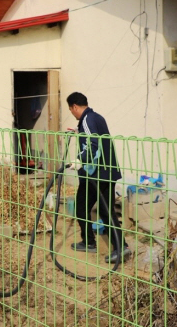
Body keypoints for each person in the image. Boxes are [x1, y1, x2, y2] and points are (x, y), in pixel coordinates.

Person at [65, 92, 130, 264]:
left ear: (75, 107)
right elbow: (94, 136)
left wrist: (80, 160)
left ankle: (94, 243)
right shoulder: (96, 118)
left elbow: (93, 144)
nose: (72, 113)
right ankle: (117, 246)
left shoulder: (86, 120)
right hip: (107, 172)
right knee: (105, 210)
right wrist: (78, 131)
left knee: (82, 207)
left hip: (96, 175)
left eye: (71, 110)